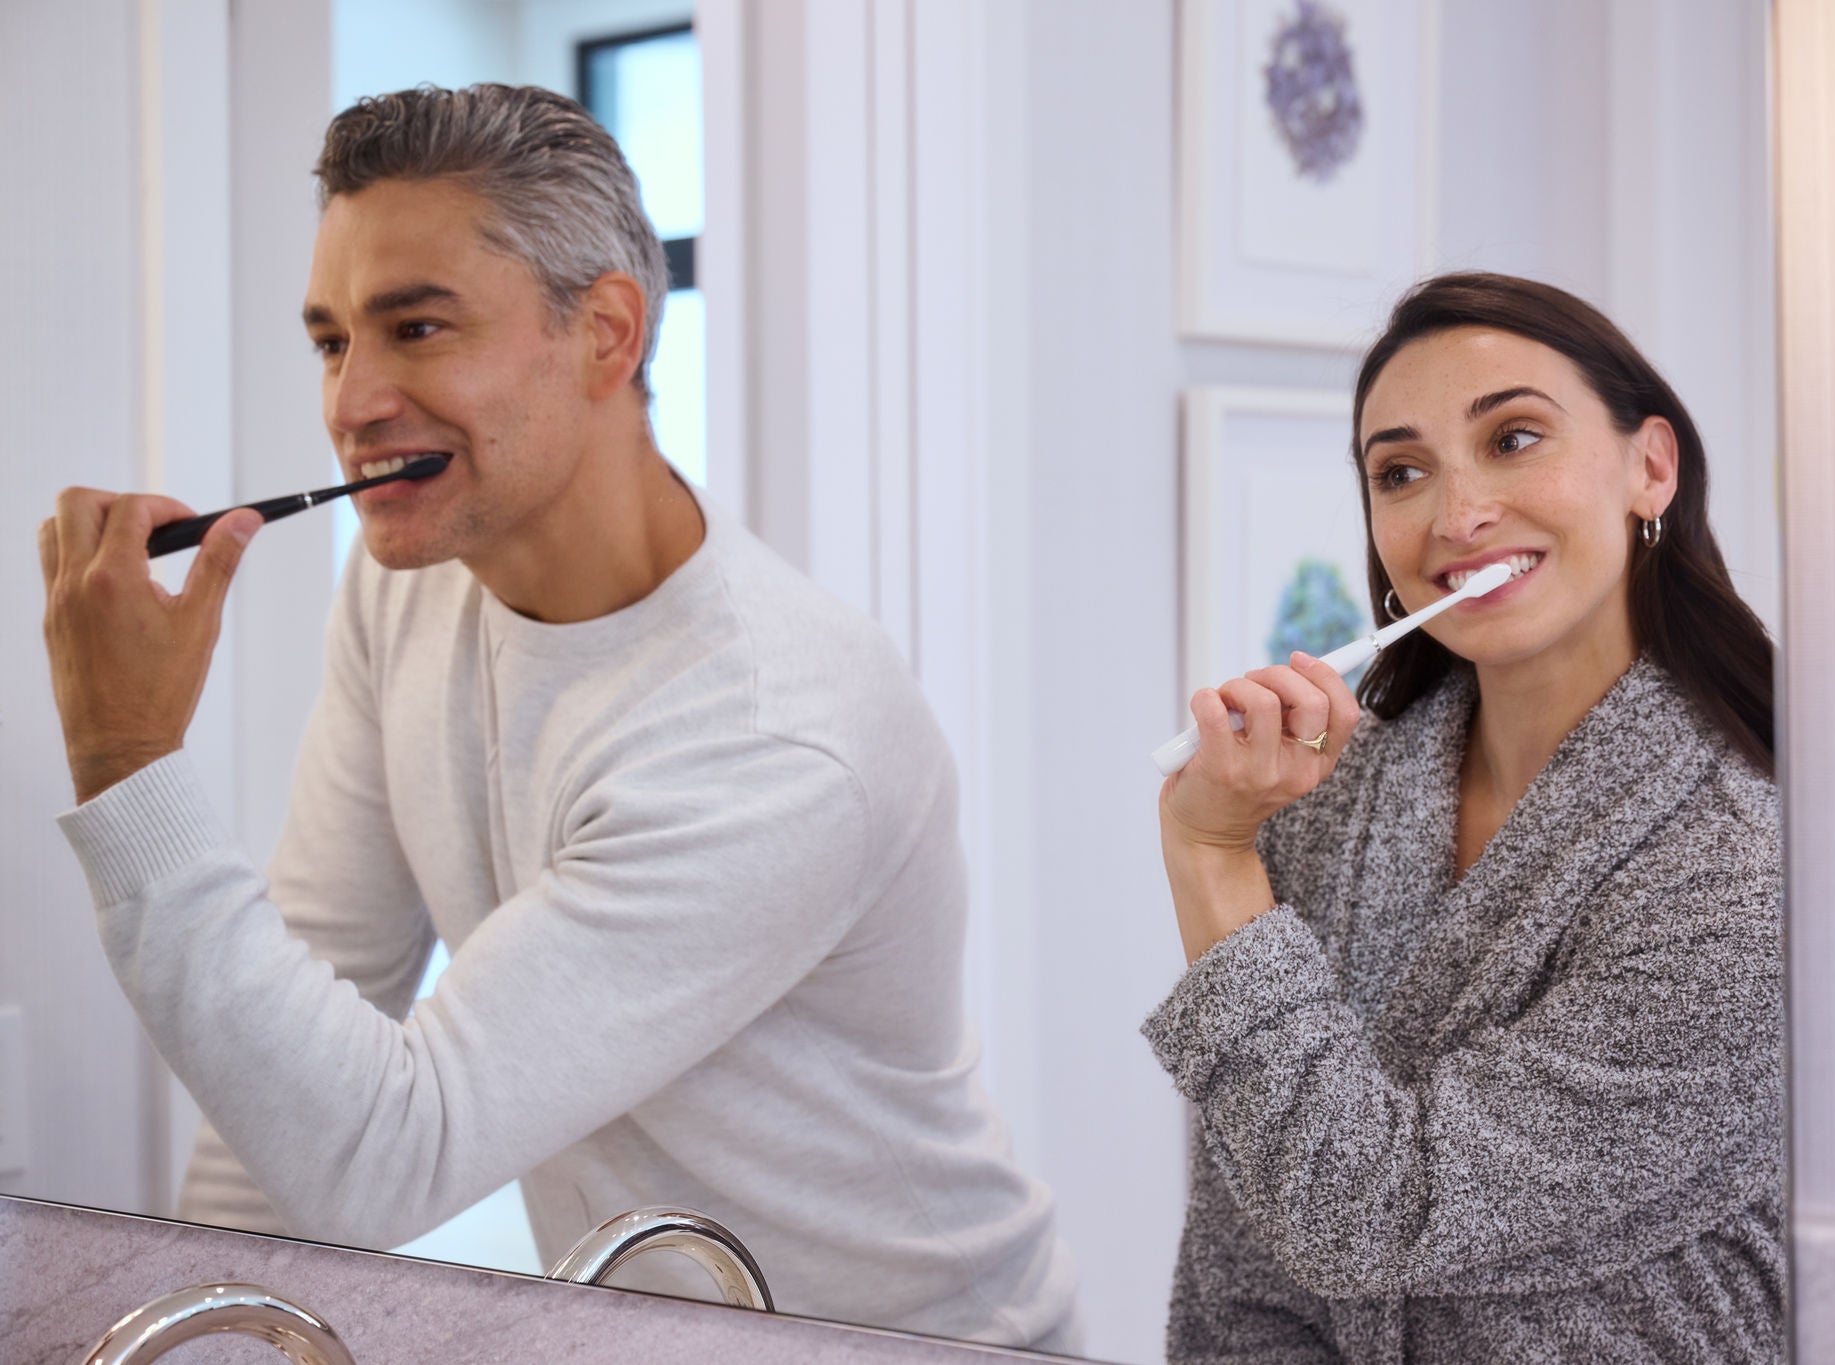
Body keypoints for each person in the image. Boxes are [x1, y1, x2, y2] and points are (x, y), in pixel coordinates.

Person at [38, 84, 1078, 1352]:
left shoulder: (773, 733)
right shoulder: (398, 593)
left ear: (606, 334)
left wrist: (129, 762)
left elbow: (377, 1155)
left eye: (415, 328)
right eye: (329, 341)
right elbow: (301, 1075)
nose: (352, 399)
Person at [1144, 273, 1783, 1362]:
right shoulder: (1321, 806)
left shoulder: (1739, 864)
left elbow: (1376, 1212)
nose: (1455, 516)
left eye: (1513, 438)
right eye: (1400, 472)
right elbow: (1240, 1273)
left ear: (1649, 465)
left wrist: (1209, 854)